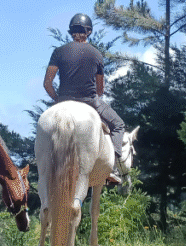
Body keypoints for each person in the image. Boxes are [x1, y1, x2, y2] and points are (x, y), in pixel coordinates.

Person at [43, 13, 126, 183]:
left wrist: (58, 100)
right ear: (89, 32)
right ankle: (114, 168)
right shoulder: (96, 54)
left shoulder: (59, 52)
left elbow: (47, 83)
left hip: (64, 101)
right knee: (118, 125)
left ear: (71, 32)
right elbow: (100, 89)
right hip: (90, 102)